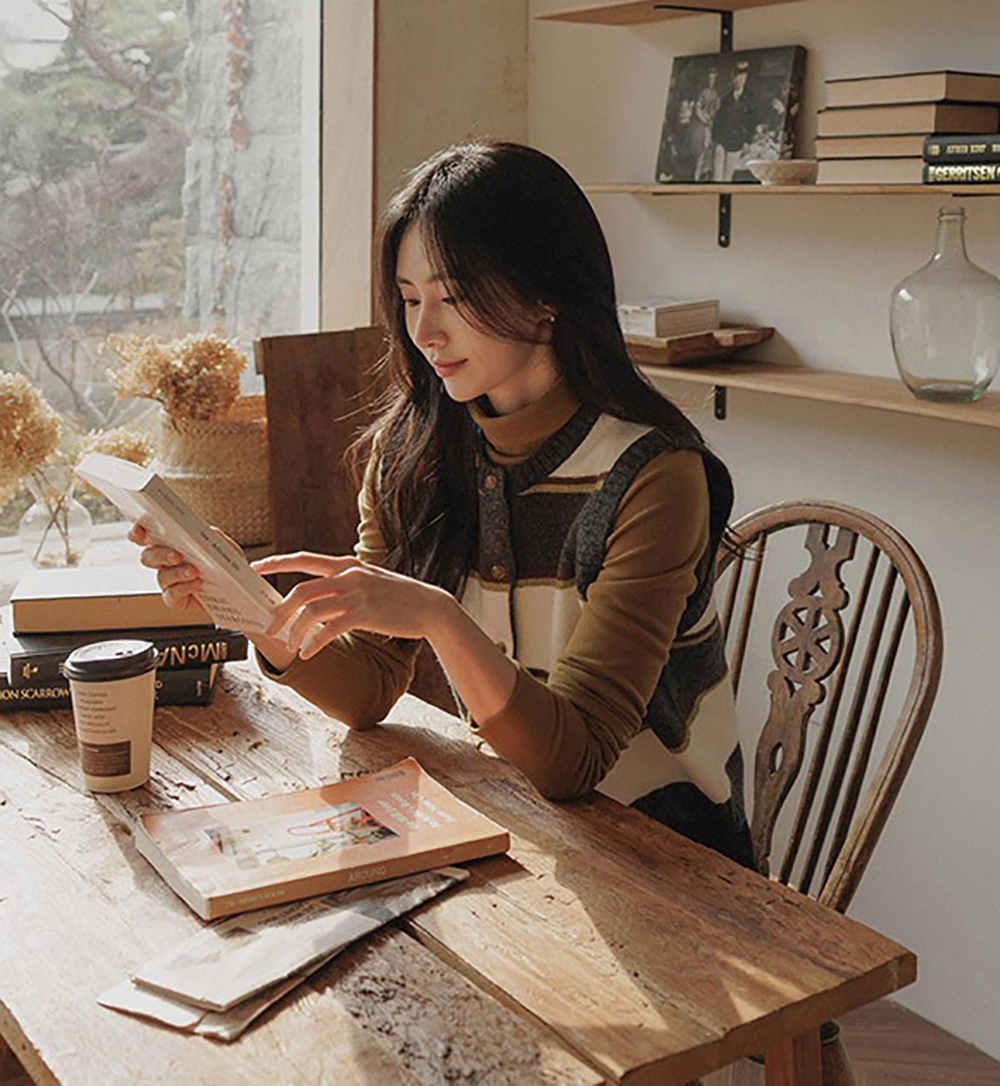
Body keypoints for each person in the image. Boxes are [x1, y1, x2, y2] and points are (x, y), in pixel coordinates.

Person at [133, 141, 755, 868]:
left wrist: (435, 614)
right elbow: (367, 687)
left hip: (675, 865)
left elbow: (572, 758)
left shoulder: (654, 478)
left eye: (454, 297)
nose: (425, 332)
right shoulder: (417, 450)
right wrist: (249, 604)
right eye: (409, 298)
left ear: (545, 292)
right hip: (522, 831)